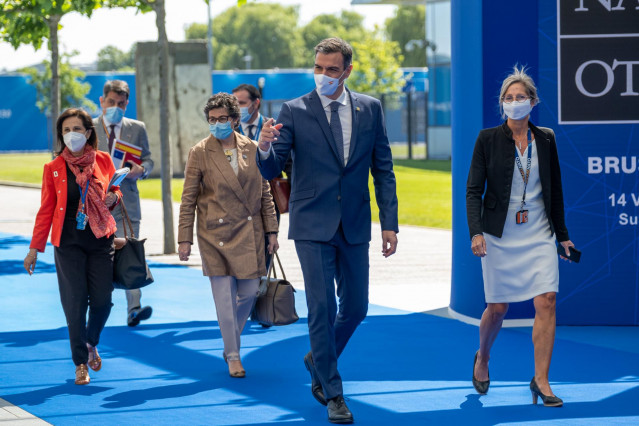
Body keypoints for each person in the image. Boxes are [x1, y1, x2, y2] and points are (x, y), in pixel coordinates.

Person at [256, 38, 398, 424]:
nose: (323, 76)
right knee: (322, 306)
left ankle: (317, 356)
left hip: (354, 224)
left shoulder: (370, 108)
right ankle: (332, 391)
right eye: (318, 68)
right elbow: (271, 170)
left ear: (347, 70)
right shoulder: (294, 110)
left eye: (331, 69)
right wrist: (264, 147)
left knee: (356, 307)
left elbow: (382, 169)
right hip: (312, 224)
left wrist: (389, 223)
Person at [466, 66, 575, 407]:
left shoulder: (546, 138)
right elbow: (472, 191)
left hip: (539, 232)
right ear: (502, 105)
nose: (515, 103)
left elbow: (554, 191)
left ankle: (541, 380)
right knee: (498, 308)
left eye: (521, 97)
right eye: (509, 98)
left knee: (547, 301)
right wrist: (476, 232)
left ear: (533, 102)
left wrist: (563, 236)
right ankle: (483, 357)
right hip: (499, 234)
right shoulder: (487, 139)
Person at [177, 93, 279, 378]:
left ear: (235, 120)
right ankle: (233, 354)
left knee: (247, 293)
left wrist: (272, 231)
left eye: (223, 119)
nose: (217, 124)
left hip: (249, 231)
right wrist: (184, 239)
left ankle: (229, 340)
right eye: (212, 120)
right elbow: (188, 199)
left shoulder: (254, 147)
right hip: (214, 233)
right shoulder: (199, 151)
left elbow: (265, 194)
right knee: (224, 297)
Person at [24, 108, 122, 385]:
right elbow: (46, 210)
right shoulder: (53, 168)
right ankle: (80, 362)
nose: (71, 135)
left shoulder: (103, 160)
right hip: (68, 241)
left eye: (76, 129)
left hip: (101, 237)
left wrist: (114, 197)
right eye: (66, 130)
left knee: (103, 299)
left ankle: (91, 341)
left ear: (88, 132)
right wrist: (34, 248)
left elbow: (115, 189)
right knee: (75, 302)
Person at [93, 80, 154, 327]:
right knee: (99, 258)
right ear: (102, 101)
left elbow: (149, 160)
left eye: (121, 103)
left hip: (127, 204)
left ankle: (134, 309)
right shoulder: (88, 127)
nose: (115, 107)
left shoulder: (137, 128)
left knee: (131, 254)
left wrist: (142, 170)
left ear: (127, 103)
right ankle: (98, 309)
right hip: (95, 205)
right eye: (111, 102)